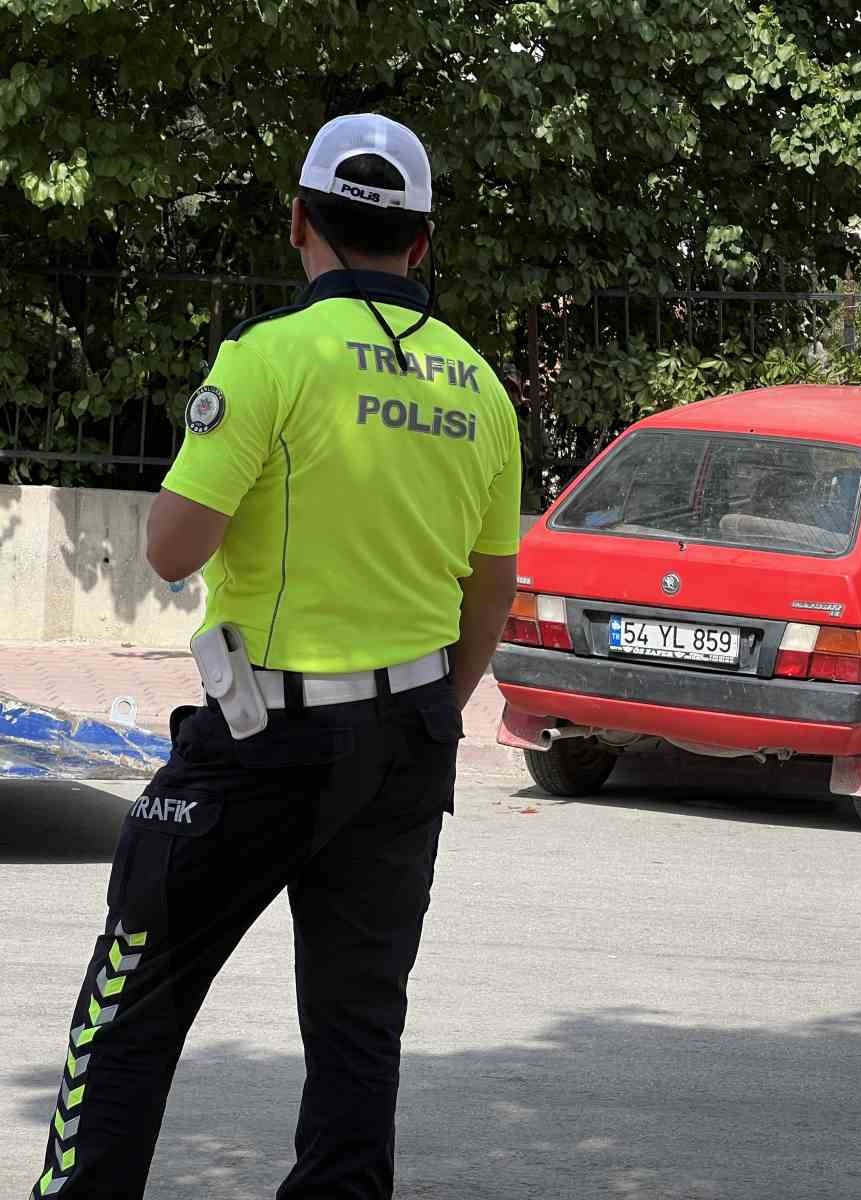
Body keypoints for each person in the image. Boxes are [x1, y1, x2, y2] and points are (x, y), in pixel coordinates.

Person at [27, 113, 521, 1199]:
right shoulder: (480, 389)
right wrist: (435, 711)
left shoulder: (269, 357)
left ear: (298, 222)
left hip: (267, 735)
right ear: (422, 245)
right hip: (411, 738)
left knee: (133, 992)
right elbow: (492, 590)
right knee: (358, 1030)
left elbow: (168, 550)